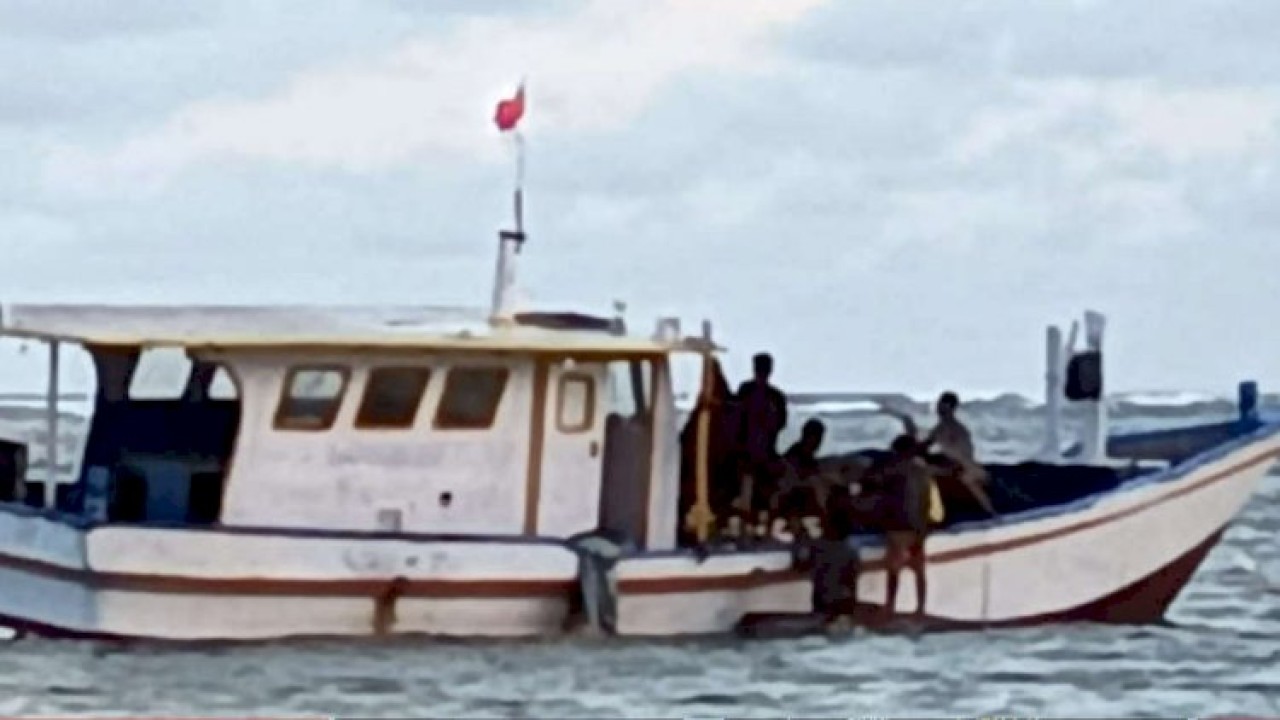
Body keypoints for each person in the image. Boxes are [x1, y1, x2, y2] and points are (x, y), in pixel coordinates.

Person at [868, 434, 933, 619]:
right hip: (918, 524)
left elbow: (878, 486)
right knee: (918, 570)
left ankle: (890, 606)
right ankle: (921, 608)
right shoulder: (922, 470)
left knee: (894, 570)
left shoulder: (894, 469)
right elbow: (926, 501)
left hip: (899, 525)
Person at [732, 353, 789, 534]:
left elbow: (779, 424)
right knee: (752, 497)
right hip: (751, 454)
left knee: (762, 496)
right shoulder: (753, 392)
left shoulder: (766, 395)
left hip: (759, 454)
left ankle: (756, 528)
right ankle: (753, 528)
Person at [775, 418, 827, 539]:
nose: (819, 442)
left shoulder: (807, 456)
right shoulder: (796, 455)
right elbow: (795, 478)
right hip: (792, 498)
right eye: (817, 437)